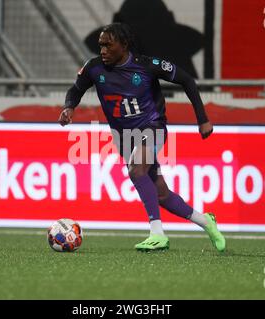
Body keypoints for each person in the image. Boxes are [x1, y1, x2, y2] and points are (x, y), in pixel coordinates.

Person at [58, 23, 225, 252]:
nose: (103, 50)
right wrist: (69, 107)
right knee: (162, 194)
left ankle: (157, 233)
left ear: (124, 45)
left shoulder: (147, 66)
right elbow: (76, 90)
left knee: (137, 170)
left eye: (108, 45)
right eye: (101, 46)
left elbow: (187, 80)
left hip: (152, 127)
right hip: (124, 136)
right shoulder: (94, 68)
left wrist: (202, 118)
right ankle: (206, 222)